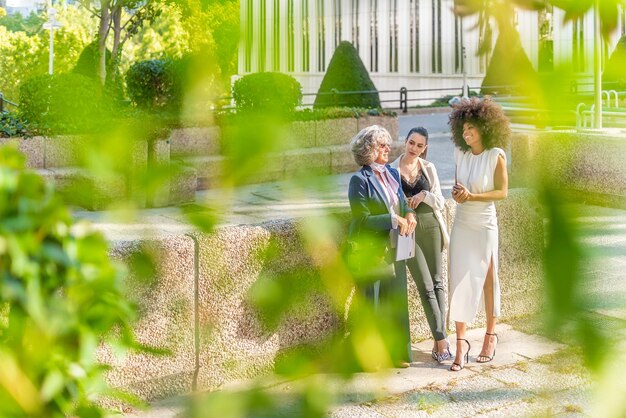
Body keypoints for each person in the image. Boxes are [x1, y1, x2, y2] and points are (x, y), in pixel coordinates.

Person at [447, 97, 511, 371]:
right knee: (459, 278)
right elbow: (458, 186)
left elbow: (502, 192)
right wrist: (458, 194)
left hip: (485, 223)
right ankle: (461, 343)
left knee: (487, 278)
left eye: (471, 127)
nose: (466, 133)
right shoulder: (460, 154)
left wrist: (471, 196)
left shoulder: (495, 155)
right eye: (463, 128)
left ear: (485, 127)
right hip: (462, 222)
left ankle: (490, 335)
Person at [347, 125, 417, 368]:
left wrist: (409, 215)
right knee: (372, 304)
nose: (388, 148)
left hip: (396, 247)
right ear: (369, 149)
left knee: (394, 302)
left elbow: (401, 204)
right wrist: (392, 220)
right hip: (372, 252)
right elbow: (361, 219)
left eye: (387, 144)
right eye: (382, 145)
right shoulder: (359, 180)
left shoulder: (393, 174)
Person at [390, 127, 451, 363]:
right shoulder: (392, 170)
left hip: (432, 226)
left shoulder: (429, 168)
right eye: (411, 143)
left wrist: (424, 195)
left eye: (420, 146)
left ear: (425, 148)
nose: (414, 148)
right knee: (425, 285)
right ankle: (443, 340)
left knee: (438, 282)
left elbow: (441, 201)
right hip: (409, 231)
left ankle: (439, 341)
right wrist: (406, 206)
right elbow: (392, 205)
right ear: (405, 142)